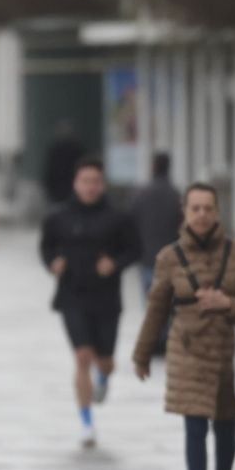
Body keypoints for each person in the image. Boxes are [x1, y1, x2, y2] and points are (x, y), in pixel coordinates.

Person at [131, 183, 235, 470]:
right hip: (187, 352)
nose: (202, 215)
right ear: (185, 212)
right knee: (194, 428)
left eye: (208, 208)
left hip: (229, 356)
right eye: (196, 208)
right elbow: (156, 309)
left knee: (226, 432)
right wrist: (142, 353)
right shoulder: (169, 257)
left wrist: (230, 304)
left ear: (218, 212)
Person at [40, 158, 141, 447]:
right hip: (72, 295)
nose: (90, 187)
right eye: (85, 181)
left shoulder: (118, 218)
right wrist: (52, 263)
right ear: (76, 183)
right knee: (82, 356)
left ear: (102, 184)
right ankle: (86, 423)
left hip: (107, 298)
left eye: (95, 181)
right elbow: (46, 247)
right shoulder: (58, 217)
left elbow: (135, 249)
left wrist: (116, 263)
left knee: (105, 361)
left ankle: (104, 379)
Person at [129, 152, 182, 305]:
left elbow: (131, 223)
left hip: (147, 256)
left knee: (151, 304)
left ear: (153, 167)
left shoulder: (141, 194)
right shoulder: (176, 195)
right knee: (169, 303)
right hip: (171, 257)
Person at [42, 122, 85, 205]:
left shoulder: (55, 149)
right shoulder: (77, 148)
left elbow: (49, 171)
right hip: (69, 187)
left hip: (60, 188)